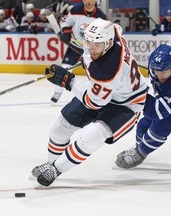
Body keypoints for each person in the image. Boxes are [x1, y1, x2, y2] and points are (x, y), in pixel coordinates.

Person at [31, 18, 149, 186]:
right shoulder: (112, 32)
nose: (91, 47)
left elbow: (94, 103)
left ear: (108, 43)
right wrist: (76, 43)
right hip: (106, 92)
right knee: (58, 128)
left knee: (92, 135)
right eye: (89, 42)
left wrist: (68, 81)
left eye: (97, 44)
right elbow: (114, 27)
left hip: (127, 103)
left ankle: (55, 169)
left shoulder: (108, 71)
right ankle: (49, 164)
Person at [50, 0, 106, 103]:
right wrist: (66, 30)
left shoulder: (101, 16)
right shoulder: (75, 10)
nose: (89, 1)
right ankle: (57, 92)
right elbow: (64, 21)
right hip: (75, 45)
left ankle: (97, 95)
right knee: (65, 67)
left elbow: (105, 33)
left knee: (94, 72)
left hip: (91, 48)